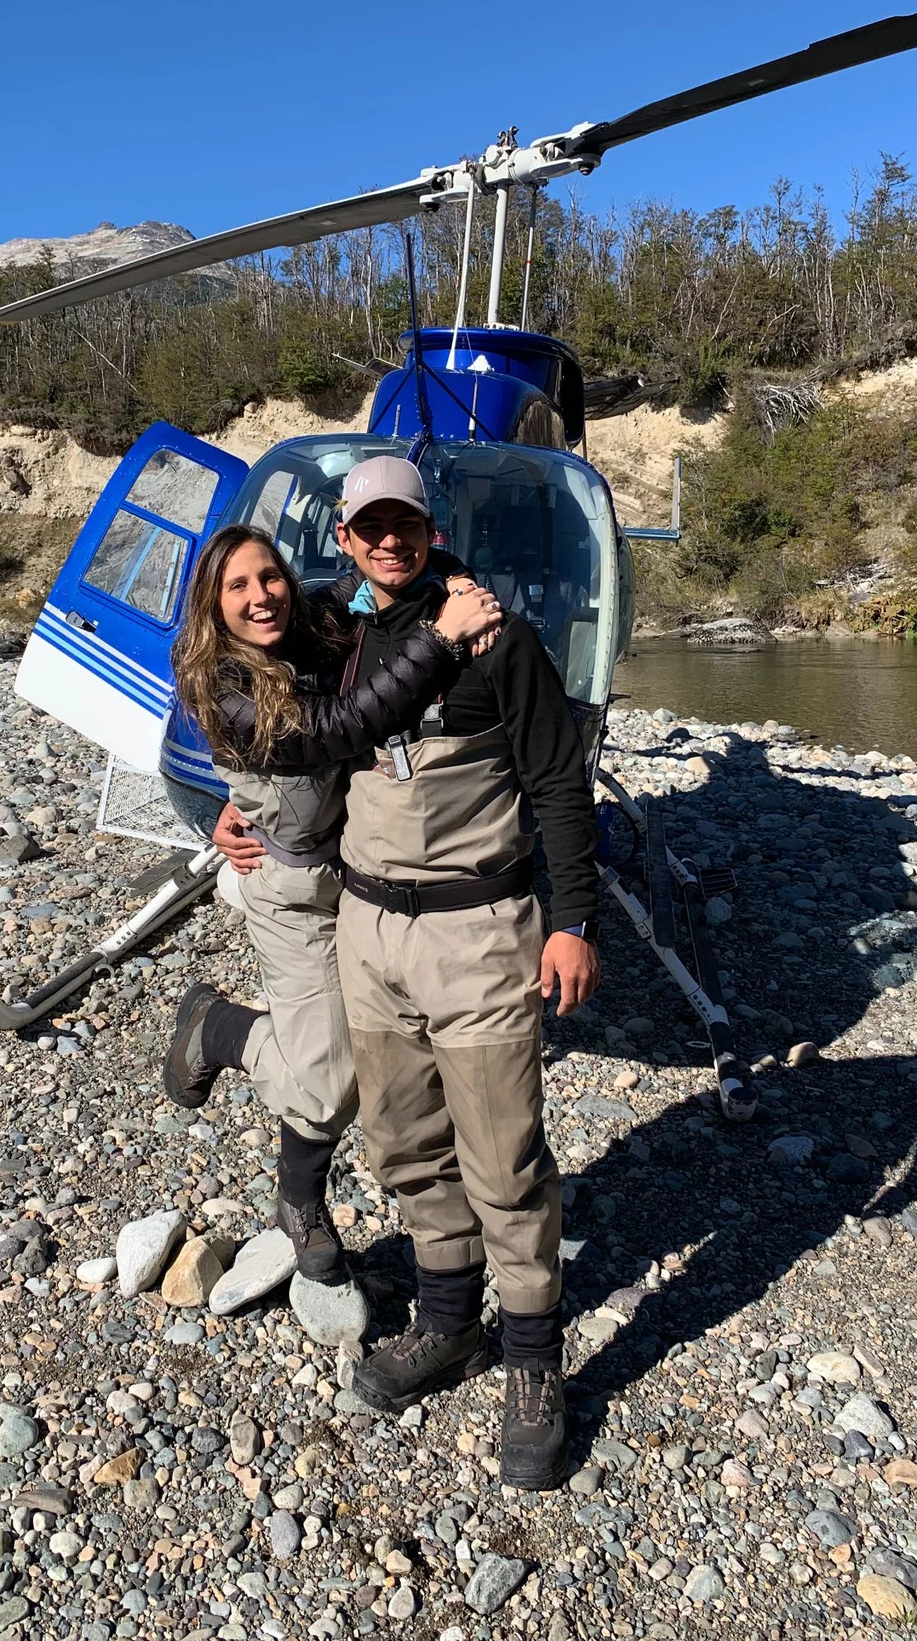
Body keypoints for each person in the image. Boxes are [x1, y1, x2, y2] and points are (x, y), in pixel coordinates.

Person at [215, 455, 600, 1491]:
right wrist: (239, 815)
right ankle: (447, 1324)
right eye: (370, 528)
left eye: (407, 525)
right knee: (404, 1144)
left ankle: (534, 1362)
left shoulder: (497, 635)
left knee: (504, 1157)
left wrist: (573, 922)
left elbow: (560, 782)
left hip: (479, 928)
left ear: (432, 528)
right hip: (367, 927)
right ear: (344, 540)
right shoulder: (334, 640)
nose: (390, 542)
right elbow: (282, 739)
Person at [166, 523, 501, 1283]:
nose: (261, 597)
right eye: (238, 587)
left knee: (382, 1050)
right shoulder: (223, 686)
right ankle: (220, 1035)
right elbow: (338, 729)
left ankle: (367, 1193)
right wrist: (441, 641)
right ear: (212, 606)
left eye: (269, 577)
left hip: (357, 873)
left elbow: (388, 567)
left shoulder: (314, 620)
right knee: (329, 1079)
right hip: (290, 893)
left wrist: (453, 580)